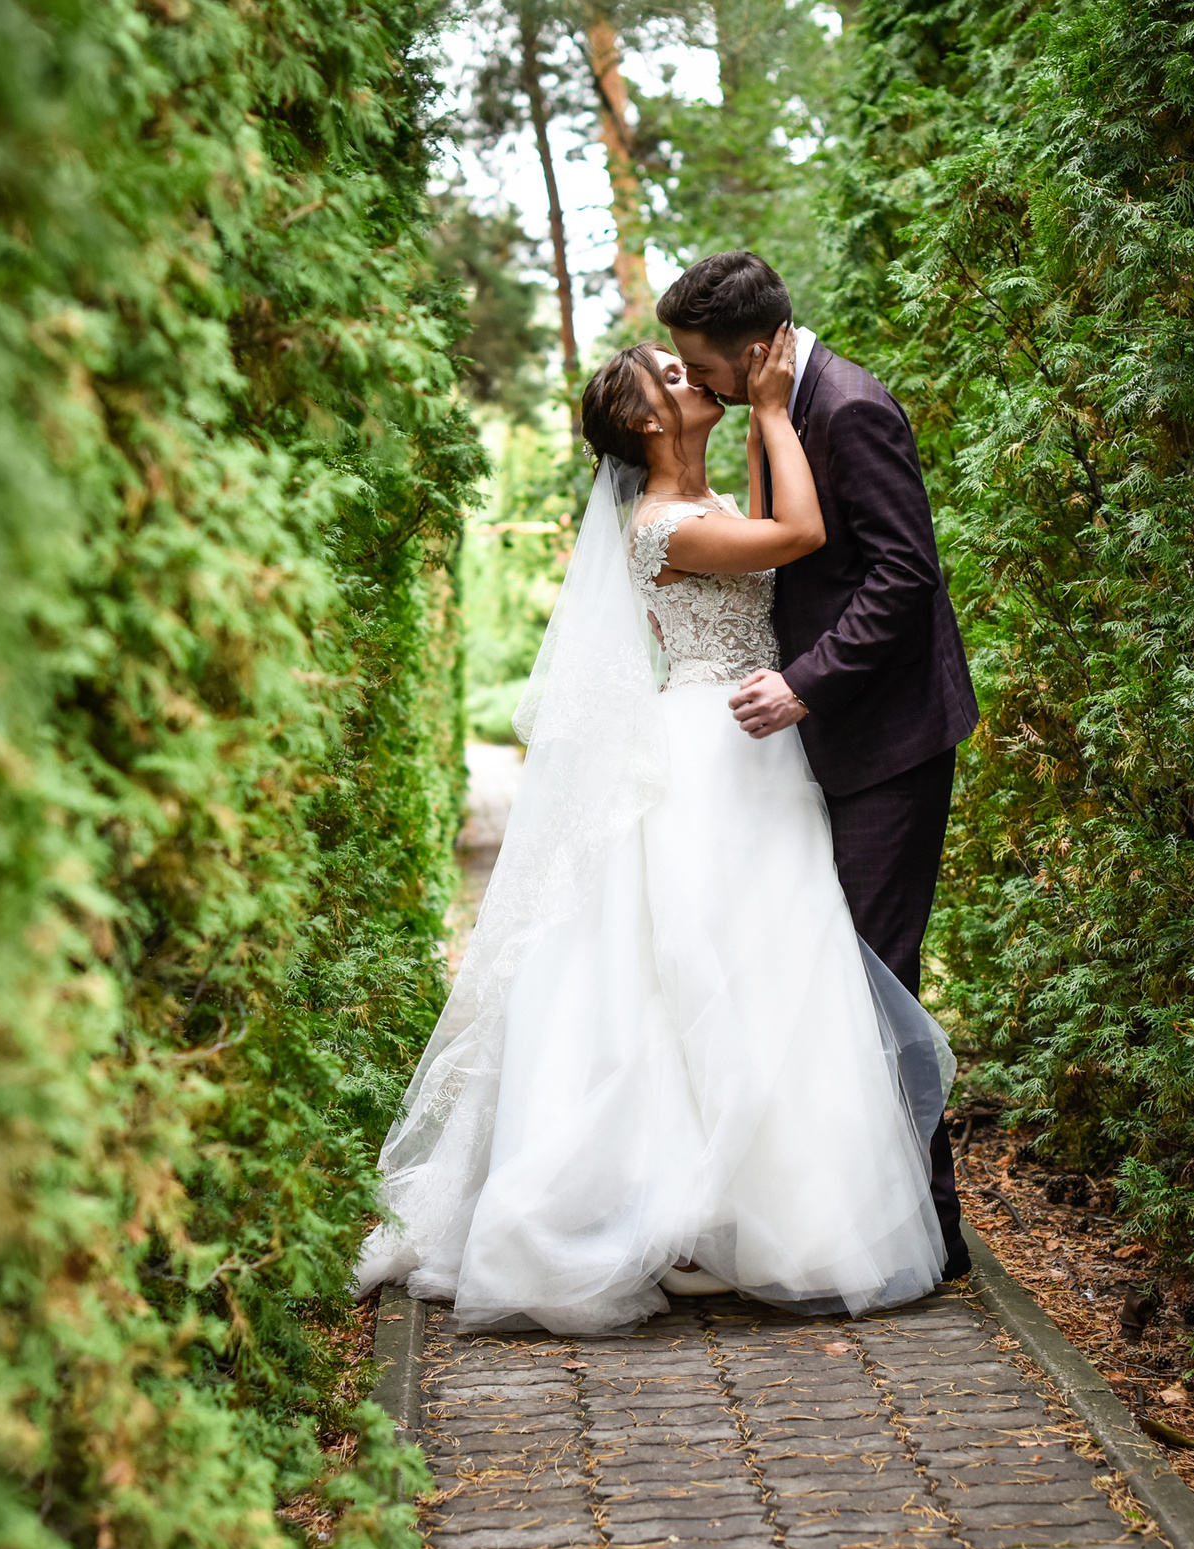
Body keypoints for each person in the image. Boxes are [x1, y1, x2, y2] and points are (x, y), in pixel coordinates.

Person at [355, 329, 953, 1336]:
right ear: (643, 421)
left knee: (769, 977)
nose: (698, 378)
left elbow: (778, 527)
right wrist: (770, 408)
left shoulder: (706, 501)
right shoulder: (662, 526)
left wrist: (762, 422)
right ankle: (671, 1218)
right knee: (697, 977)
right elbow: (798, 534)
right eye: (675, 376)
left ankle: (735, 1219)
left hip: (758, 753)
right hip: (708, 755)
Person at [656, 252, 981, 1278]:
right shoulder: (778, 405)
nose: (697, 387)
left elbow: (902, 575)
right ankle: (892, 1220)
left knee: (874, 974)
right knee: (834, 977)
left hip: (886, 736)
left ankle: (924, 1230)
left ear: (753, 354)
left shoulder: (848, 409)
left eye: (702, 371)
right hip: (815, 743)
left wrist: (804, 682)